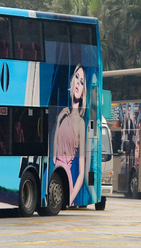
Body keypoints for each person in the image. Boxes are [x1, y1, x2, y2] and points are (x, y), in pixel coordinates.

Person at [53, 64, 87, 206]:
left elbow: (81, 173)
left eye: (82, 82)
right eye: (76, 78)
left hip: (65, 178)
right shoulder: (64, 116)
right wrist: (58, 120)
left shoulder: (80, 123)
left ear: (84, 90)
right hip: (55, 173)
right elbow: (54, 157)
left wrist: (69, 199)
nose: (78, 83)